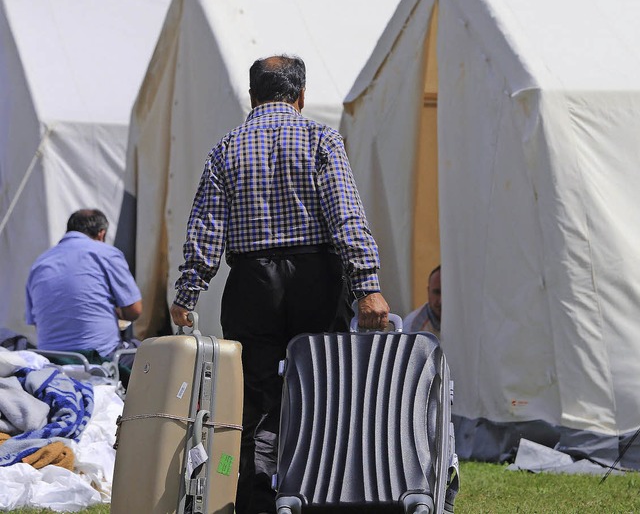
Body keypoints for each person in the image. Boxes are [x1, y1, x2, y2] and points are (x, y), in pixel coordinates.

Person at [170, 54, 390, 514]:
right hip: (316, 277)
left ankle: (255, 502)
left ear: (251, 97)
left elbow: (206, 227)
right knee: (319, 393)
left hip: (251, 283)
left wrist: (188, 293)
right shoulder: (320, 138)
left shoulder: (226, 147)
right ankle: (315, 495)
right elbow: (345, 216)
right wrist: (367, 284)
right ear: (302, 95)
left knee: (252, 400)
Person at [25, 209, 142, 368]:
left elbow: (37, 322)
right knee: (153, 352)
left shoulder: (39, 263)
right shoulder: (106, 253)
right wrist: (119, 312)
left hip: (52, 359)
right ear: (101, 234)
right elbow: (134, 310)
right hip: (99, 357)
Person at [404, 264, 442, 338]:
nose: (441, 301)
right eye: (437, 292)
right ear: (428, 292)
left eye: (446, 293)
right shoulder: (414, 330)